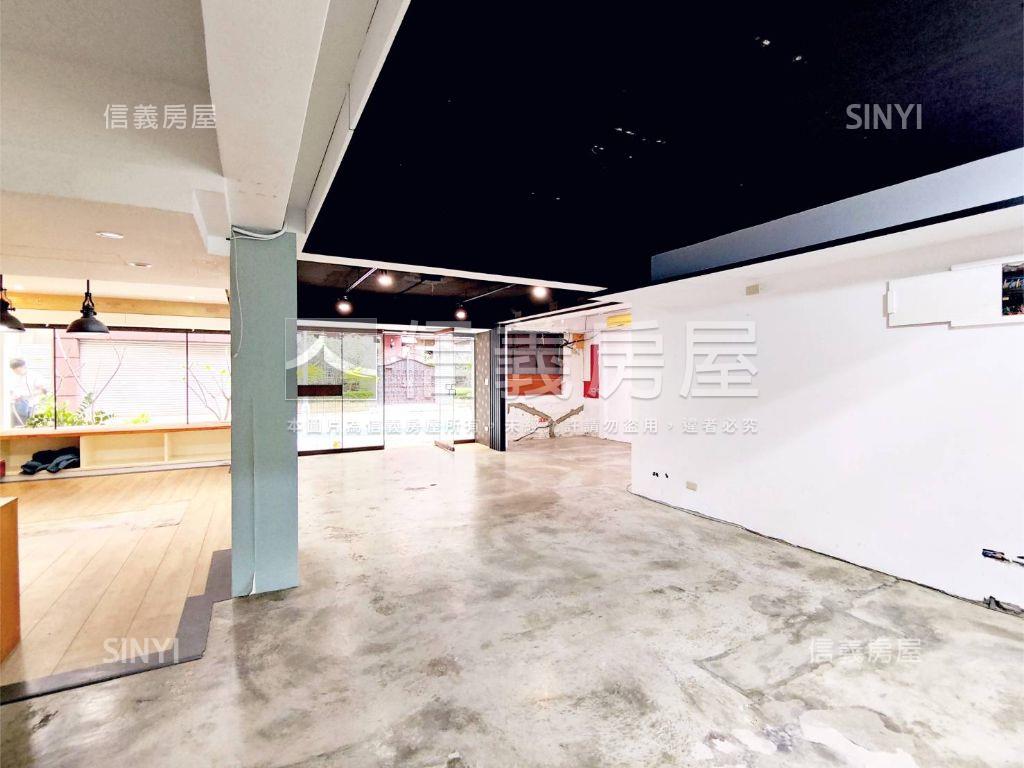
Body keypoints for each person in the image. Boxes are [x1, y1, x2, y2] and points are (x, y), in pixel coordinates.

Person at [8, 358, 48, 427]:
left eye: (18, 370)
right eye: (14, 371)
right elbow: (11, 391)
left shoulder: (34, 376)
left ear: (23, 367)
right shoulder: (13, 377)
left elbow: (43, 390)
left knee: (32, 427)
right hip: (17, 408)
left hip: (33, 407)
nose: (16, 373)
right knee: (17, 427)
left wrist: (26, 395)